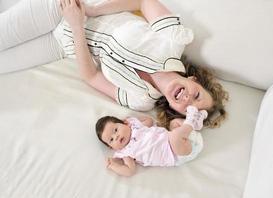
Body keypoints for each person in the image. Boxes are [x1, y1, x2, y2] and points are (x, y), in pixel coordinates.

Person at [0, 0, 228, 128]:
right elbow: (142, 0)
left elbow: (91, 77)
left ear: (177, 112)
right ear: (194, 80)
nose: (187, 100)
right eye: (197, 96)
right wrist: (89, 12)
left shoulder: (141, 100)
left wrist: (77, 27)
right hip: (65, 8)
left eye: (188, 110)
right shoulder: (173, 40)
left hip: (60, 45)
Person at [96, 106, 208, 176]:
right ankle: (191, 122)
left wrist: (133, 120)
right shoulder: (126, 152)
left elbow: (149, 121)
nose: (116, 136)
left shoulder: (136, 126)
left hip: (182, 138)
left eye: (116, 130)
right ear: (112, 147)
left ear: (125, 123)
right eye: (111, 139)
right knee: (174, 136)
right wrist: (113, 166)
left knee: (173, 124)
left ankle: (195, 123)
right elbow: (130, 171)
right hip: (177, 154)